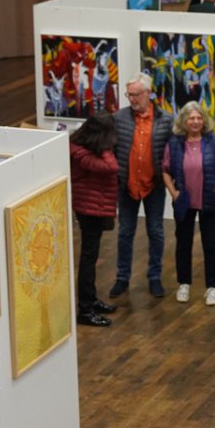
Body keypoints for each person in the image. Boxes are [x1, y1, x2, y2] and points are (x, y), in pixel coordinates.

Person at [111, 74, 173, 299]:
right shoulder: (119, 119)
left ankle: (154, 277)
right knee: (125, 232)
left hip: (153, 185)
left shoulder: (165, 120)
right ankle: (122, 277)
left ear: (148, 93)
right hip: (127, 185)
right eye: (129, 95)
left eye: (136, 94)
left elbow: (171, 153)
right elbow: (112, 149)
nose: (132, 99)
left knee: (155, 231)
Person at [164, 100, 215, 305]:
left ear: (204, 120)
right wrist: (173, 192)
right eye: (191, 118)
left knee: (211, 244)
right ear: (183, 120)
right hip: (183, 201)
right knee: (183, 244)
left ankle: (212, 287)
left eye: (199, 118)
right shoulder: (174, 142)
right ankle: (184, 284)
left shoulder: (213, 140)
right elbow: (165, 170)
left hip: (209, 198)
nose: (195, 121)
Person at [68, 112, 118, 327]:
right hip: (88, 209)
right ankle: (86, 309)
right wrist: (106, 148)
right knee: (88, 258)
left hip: (93, 206)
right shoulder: (81, 153)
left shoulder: (84, 148)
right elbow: (111, 167)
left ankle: (91, 299)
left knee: (92, 255)